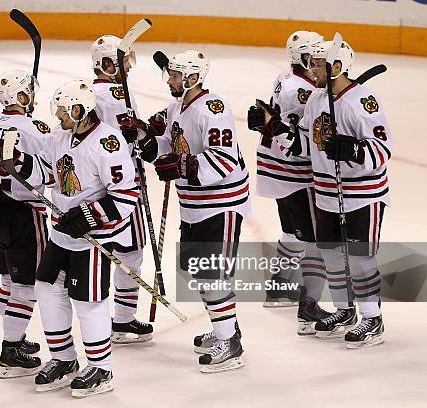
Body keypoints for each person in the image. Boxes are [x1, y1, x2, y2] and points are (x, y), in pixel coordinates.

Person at [251, 39, 390, 349]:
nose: (311, 68)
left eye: (317, 64)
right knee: (332, 255)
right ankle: (345, 311)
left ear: (337, 67)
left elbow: (382, 150)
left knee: (360, 257)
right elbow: (302, 145)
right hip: (326, 192)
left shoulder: (363, 101)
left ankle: (373, 318)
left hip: (362, 195)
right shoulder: (316, 99)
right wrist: (273, 128)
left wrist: (352, 148)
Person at [9, 80, 138, 396]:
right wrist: (14, 161)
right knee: (46, 288)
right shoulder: (59, 136)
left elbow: (126, 194)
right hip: (63, 234)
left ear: (80, 111)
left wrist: (90, 216)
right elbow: (45, 173)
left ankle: (101, 368)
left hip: (94, 239)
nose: (58, 117)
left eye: (64, 111)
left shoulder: (108, 143)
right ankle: (64, 359)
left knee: (88, 301)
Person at [133, 50, 250, 372]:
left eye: (174, 75)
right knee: (200, 271)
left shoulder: (214, 110)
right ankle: (225, 328)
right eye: (169, 74)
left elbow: (224, 161)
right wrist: (142, 136)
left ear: (193, 78)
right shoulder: (176, 107)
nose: (169, 80)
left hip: (220, 203)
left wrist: (182, 164)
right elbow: (165, 149)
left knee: (214, 273)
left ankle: (231, 345)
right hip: (194, 203)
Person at [250, 31, 332, 334]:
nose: (321, 62)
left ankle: (281, 286)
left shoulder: (286, 78)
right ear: (303, 58)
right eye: (317, 57)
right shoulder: (303, 91)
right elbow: (300, 137)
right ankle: (308, 310)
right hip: (295, 170)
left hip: (278, 168)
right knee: (316, 240)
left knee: (293, 232)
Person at [0, 69, 53, 378]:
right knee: (27, 286)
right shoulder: (35, 128)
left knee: (9, 281)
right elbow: (50, 172)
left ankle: (17, 338)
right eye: (29, 93)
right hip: (23, 211)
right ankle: (10, 349)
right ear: (21, 97)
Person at [89, 34, 158, 343]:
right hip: (122, 184)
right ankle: (123, 321)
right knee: (130, 252)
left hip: (95, 184)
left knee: (99, 252)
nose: (129, 65)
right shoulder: (116, 94)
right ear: (108, 64)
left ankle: (97, 321)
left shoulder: (89, 92)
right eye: (124, 60)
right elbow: (127, 137)